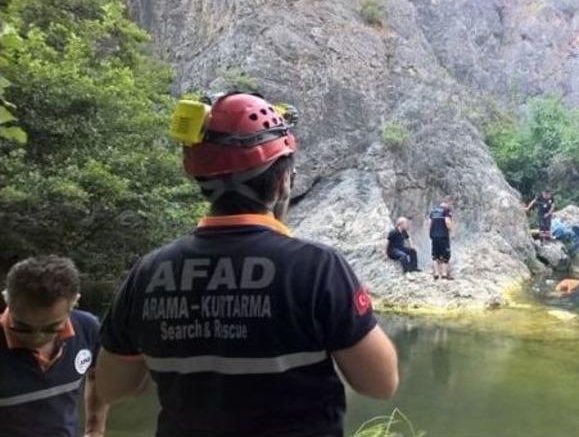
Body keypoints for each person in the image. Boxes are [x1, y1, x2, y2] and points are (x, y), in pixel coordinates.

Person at [94, 93, 398, 437]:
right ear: (283, 181)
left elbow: (112, 387)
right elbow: (380, 383)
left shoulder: (148, 272)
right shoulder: (317, 268)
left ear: (197, 176)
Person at [0, 256, 109, 437]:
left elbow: (97, 377)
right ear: (6, 299)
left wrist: (94, 429)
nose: (37, 337)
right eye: (23, 327)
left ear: (74, 303)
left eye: (52, 328)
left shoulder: (87, 329)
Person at [427, 197, 454, 280]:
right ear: (448, 202)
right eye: (451, 204)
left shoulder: (433, 211)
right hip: (443, 236)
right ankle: (444, 274)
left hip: (434, 236)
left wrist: (430, 233)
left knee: (435, 255)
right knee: (445, 255)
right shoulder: (446, 211)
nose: (451, 206)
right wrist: (452, 231)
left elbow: (429, 223)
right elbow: (447, 222)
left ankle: (436, 274)